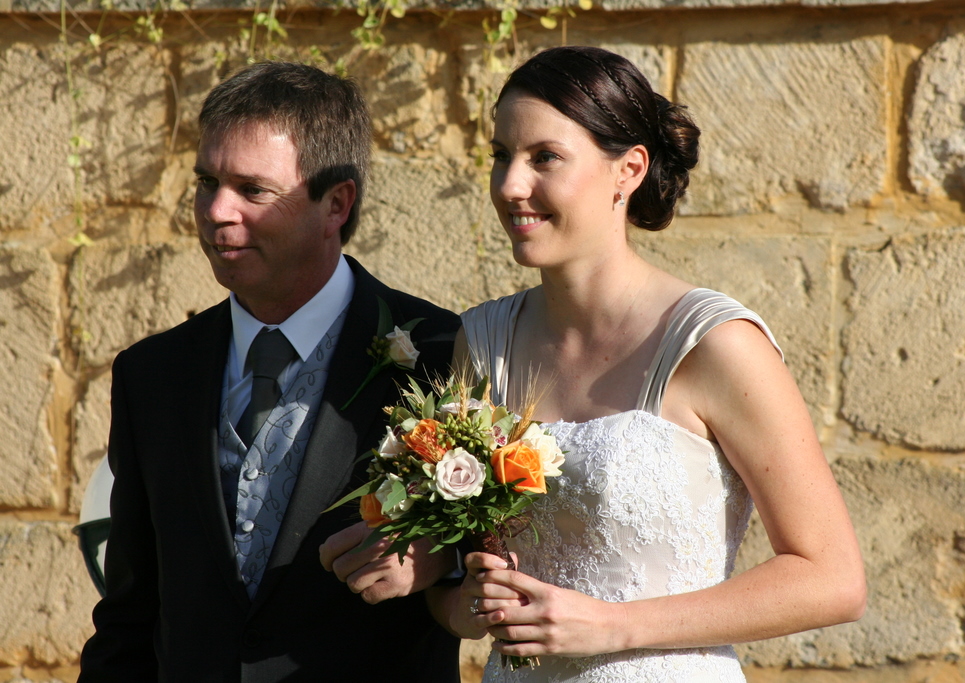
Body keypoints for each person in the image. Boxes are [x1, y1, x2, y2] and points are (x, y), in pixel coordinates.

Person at [443, 46, 867, 681]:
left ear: (629, 170)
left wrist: (613, 625)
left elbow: (832, 579)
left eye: (544, 158)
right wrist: (470, 597)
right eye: (501, 156)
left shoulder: (714, 344)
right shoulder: (481, 343)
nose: (509, 185)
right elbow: (458, 594)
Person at [78, 62, 462, 682]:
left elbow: (498, 557)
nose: (216, 211)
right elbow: (130, 614)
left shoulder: (442, 354)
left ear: (337, 202)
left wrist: (445, 560)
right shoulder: (152, 375)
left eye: (253, 190)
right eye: (207, 181)